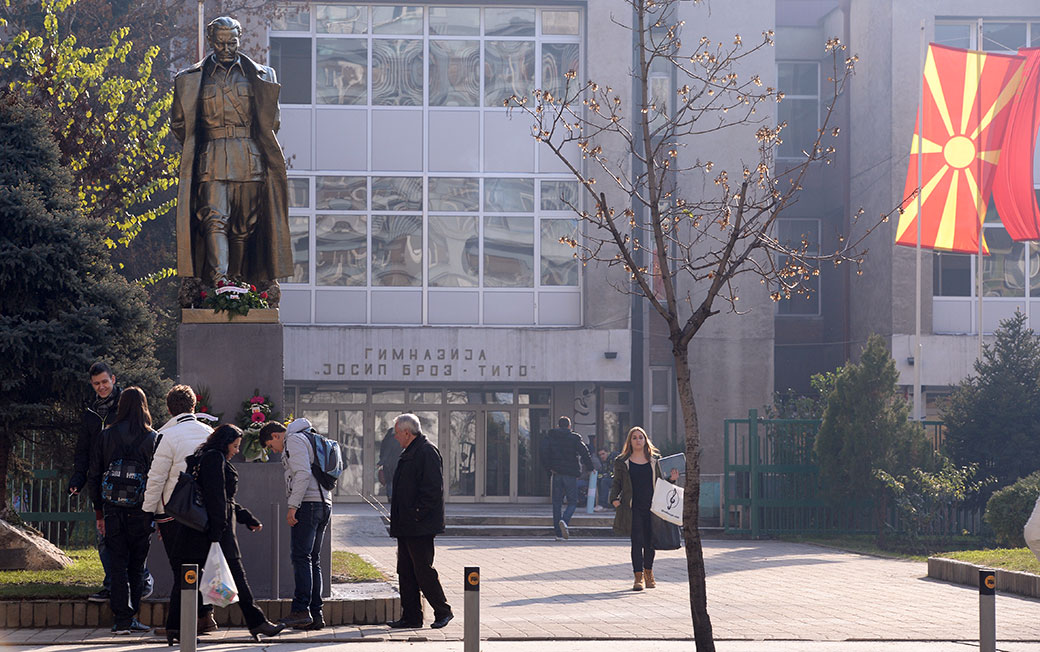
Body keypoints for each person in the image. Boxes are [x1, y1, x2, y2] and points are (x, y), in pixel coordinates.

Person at [171, 15, 292, 288]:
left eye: (232, 43)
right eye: (220, 43)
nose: (226, 49)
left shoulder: (262, 75)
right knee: (214, 219)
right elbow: (180, 124)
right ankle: (220, 281)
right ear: (211, 41)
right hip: (211, 157)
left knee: (244, 225)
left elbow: (272, 121)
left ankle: (237, 278)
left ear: (239, 40)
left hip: (249, 156)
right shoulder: (189, 79)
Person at [165, 424, 284, 644]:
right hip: (213, 531)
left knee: (186, 580)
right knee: (236, 576)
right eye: (235, 445)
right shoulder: (214, 458)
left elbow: (222, 498)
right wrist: (217, 534)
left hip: (195, 530)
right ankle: (257, 623)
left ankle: (174, 627)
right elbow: (217, 497)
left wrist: (246, 518)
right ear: (225, 442)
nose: (237, 451)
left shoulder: (203, 457)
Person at [141, 385, 217, 635]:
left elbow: (156, 478)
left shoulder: (166, 436)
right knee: (199, 565)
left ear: (169, 409)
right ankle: (206, 616)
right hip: (204, 512)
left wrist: (149, 513)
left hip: (173, 513)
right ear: (194, 406)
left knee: (181, 568)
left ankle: (179, 625)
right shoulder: (210, 433)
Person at [85, 386, 156, 634]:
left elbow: (94, 475)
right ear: (144, 407)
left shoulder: (106, 436)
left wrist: (99, 512)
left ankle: (121, 620)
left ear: (121, 406)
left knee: (117, 564)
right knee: (137, 566)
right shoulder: (152, 438)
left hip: (112, 510)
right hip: (141, 511)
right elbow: (156, 478)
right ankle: (132, 616)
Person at [259, 418, 332, 630]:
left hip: (308, 505)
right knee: (313, 560)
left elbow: (302, 473)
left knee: (301, 557)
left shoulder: (294, 440)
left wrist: (293, 506)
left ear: (276, 435)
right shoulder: (310, 437)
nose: (274, 450)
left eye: (271, 446)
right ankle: (316, 615)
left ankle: (301, 610)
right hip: (324, 503)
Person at [385, 414, 453, 630]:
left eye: (397, 433)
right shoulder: (410, 451)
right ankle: (411, 616)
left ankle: (443, 611)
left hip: (419, 525)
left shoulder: (426, 451)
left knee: (423, 570)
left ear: (407, 432)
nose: (395, 437)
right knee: (405, 570)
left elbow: (432, 490)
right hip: (406, 524)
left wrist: (416, 514)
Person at [609, 426, 676, 592]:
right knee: (636, 541)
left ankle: (649, 573)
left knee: (650, 542)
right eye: (634, 438)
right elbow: (617, 482)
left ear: (646, 440)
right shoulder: (622, 461)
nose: (638, 440)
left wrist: (672, 480)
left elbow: (662, 482)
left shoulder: (655, 460)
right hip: (632, 507)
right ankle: (638, 577)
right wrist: (614, 499)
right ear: (630, 441)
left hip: (652, 506)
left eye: (641, 437)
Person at [540, 416, 592, 540]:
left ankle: (558, 533)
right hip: (570, 473)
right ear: (569, 426)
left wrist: (549, 469)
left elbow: (543, 453)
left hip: (556, 473)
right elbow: (584, 452)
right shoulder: (575, 438)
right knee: (572, 501)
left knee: (557, 503)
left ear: (558, 426)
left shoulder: (550, 437)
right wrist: (590, 467)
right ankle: (565, 520)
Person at [378, 427, 402, 501]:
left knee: (389, 481)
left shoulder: (389, 440)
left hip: (389, 464)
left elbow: (386, 452)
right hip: (398, 463)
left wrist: (381, 462)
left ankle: (390, 497)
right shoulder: (401, 440)